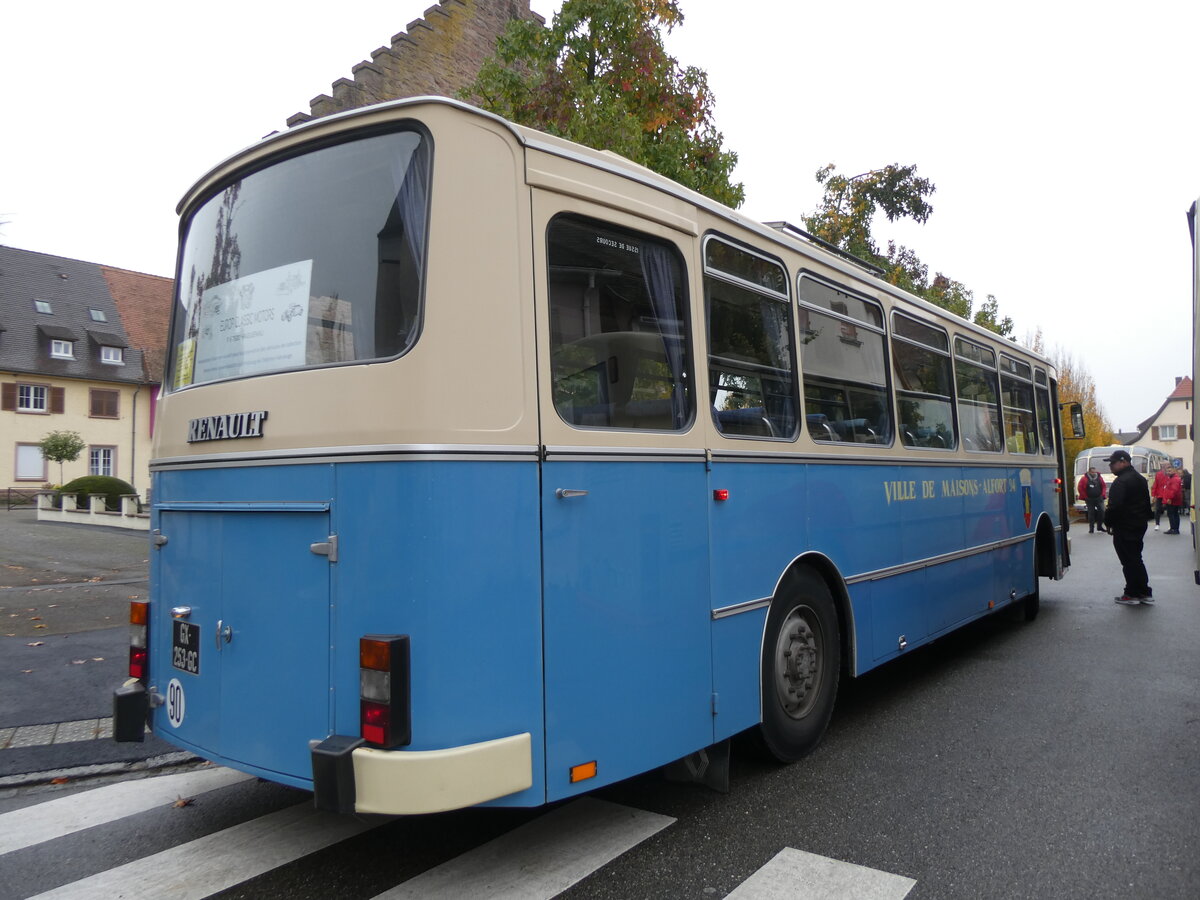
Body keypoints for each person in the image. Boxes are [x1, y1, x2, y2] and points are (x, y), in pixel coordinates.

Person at [1103, 449, 1153, 605]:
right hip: (1139, 524)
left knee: (1128, 560)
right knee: (1136, 558)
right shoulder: (1140, 479)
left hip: (1124, 525)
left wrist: (1108, 522)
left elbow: (1114, 506)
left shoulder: (1121, 481)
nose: (1110, 466)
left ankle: (1131, 593)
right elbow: (1146, 502)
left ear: (1123, 462)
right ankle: (1144, 591)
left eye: (1113, 463)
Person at [1076, 466, 1107, 533]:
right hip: (1089, 499)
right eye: (1092, 472)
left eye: (1094, 472)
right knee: (1091, 513)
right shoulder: (1084, 478)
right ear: (1089, 472)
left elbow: (1104, 486)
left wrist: (1103, 494)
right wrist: (1085, 496)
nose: (1094, 473)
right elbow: (1080, 488)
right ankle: (1091, 528)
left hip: (1099, 498)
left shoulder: (1099, 478)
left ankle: (1099, 526)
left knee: (1102, 511)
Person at [1161, 465, 1184, 534]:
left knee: (1172, 514)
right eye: (1167, 471)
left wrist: (1170, 498)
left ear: (1174, 471)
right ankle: (1174, 528)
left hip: (1173, 500)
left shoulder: (1174, 479)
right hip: (1173, 499)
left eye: (1170, 471)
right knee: (1174, 514)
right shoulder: (1172, 478)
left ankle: (1174, 528)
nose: (1168, 472)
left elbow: (1174, 490)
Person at [1151, 465, 1169, 530]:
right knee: (1157, 509)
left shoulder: (1170, 474)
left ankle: (1171, 525)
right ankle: (1157, 524)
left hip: (1168, 494)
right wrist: (1153, 495)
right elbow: (1155, 484)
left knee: (1169, 510)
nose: (1165, 468)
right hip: (1160, 494)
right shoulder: (1158, 474)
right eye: (1164, 467)